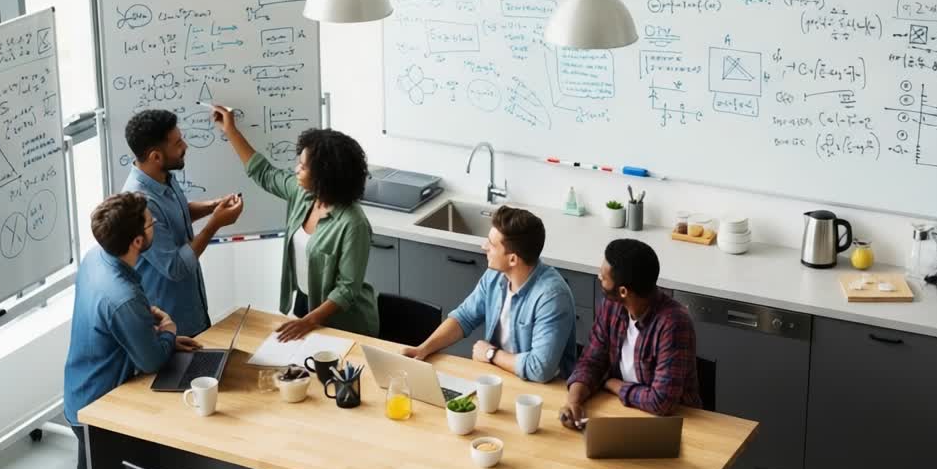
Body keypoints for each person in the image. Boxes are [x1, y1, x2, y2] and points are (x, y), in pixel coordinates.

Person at [60, 193, 201, 469]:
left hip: (78, 387)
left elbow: (120, 322)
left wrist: (149, 327)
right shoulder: (121, 296)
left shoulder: (95, 260)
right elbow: (152, 361)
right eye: (151, 222)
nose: (154, 224)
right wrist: (168, 331)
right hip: (98, 403)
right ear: (137, 241)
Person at [211, 105, 378, 340]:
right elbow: (264, 173)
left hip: (345, 321)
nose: (296, 169)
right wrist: (231, 130)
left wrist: (308, 322)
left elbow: (347, 289)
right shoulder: (303, 195)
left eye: (303, 166)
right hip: (306, 305)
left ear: (324, 175)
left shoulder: (353, 224)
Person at [402, 206, 576, 383]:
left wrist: (490, 354)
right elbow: (464, 317)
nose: (484, 246)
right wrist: (424, 348)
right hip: (498, 376)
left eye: (491, 245)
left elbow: (539, 368)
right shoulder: (495, 275)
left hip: (542, 389)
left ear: (513, 259)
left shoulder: (552, 297)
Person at [122, 109, 244, 336]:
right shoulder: (140, 204)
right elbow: (176, 267)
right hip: (172, 328)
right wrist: (215, 224)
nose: (185, 146)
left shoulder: (163, 176)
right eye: (178, 143)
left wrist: (213, 206)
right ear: (156, 157)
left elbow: (177, 213)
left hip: (194, 313)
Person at [560, 238, 700, 428]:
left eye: (604, 277)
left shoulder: (674, 323)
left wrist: (614, 385)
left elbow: (662, 402)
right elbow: (591, 361)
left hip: (676, 425)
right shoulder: (611, 306)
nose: (599, 277)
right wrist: (573, 402)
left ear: (623, 291)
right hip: (622, 411)